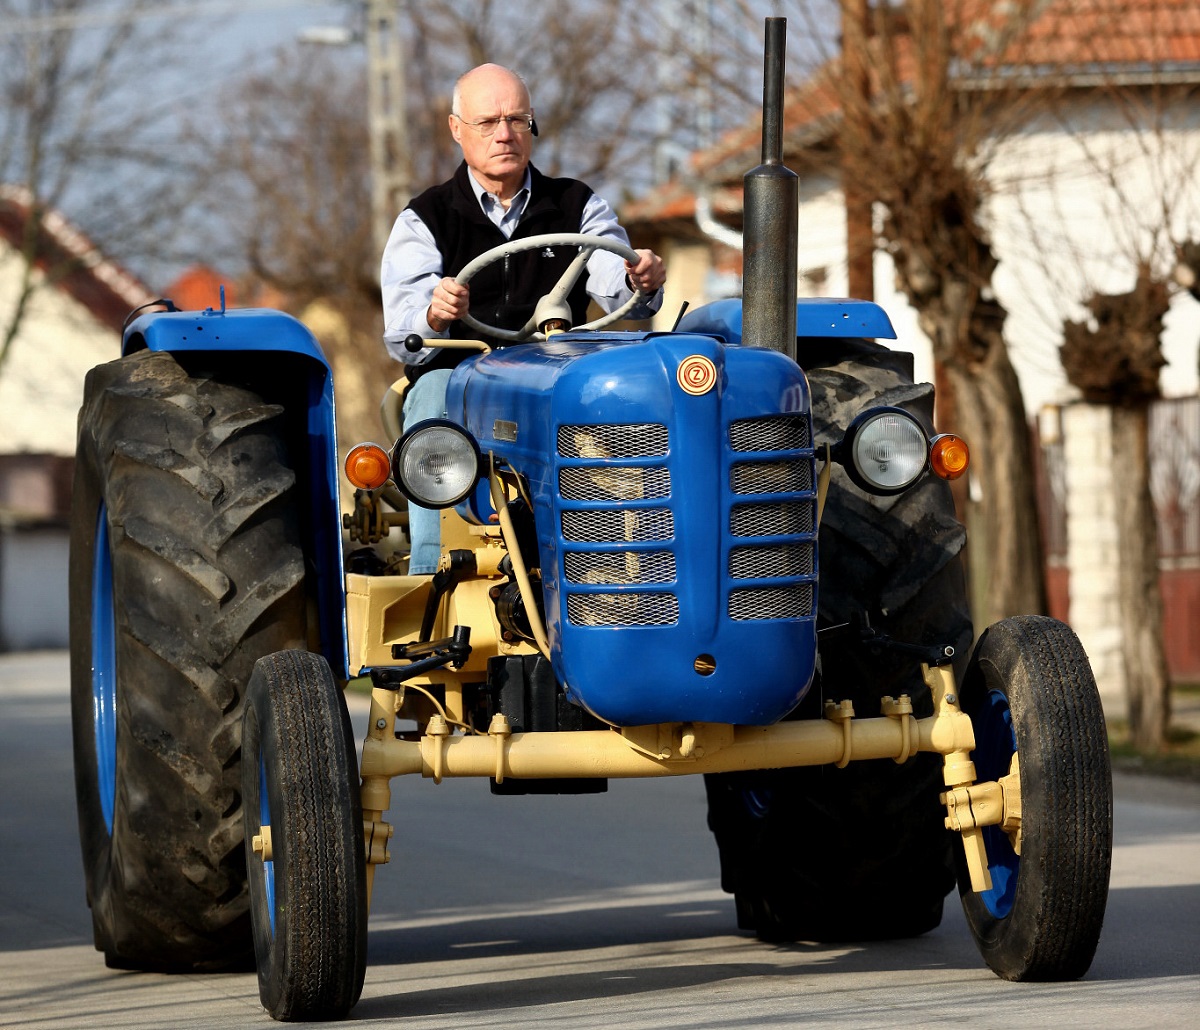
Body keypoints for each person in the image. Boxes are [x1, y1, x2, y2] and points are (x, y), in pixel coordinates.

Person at [380, 63, 667, 573]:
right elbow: (405, 337)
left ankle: (631, 560)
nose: (505, 134)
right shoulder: (425, 219)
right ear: (457, 129)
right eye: (488, 122)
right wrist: (435, 312)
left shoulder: (576, 204)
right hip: (464, 375)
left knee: (634, 395)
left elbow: (611, 271)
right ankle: (431, 570)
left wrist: (635, 279)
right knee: (428, 393)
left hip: (559, 372)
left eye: (517, 119)